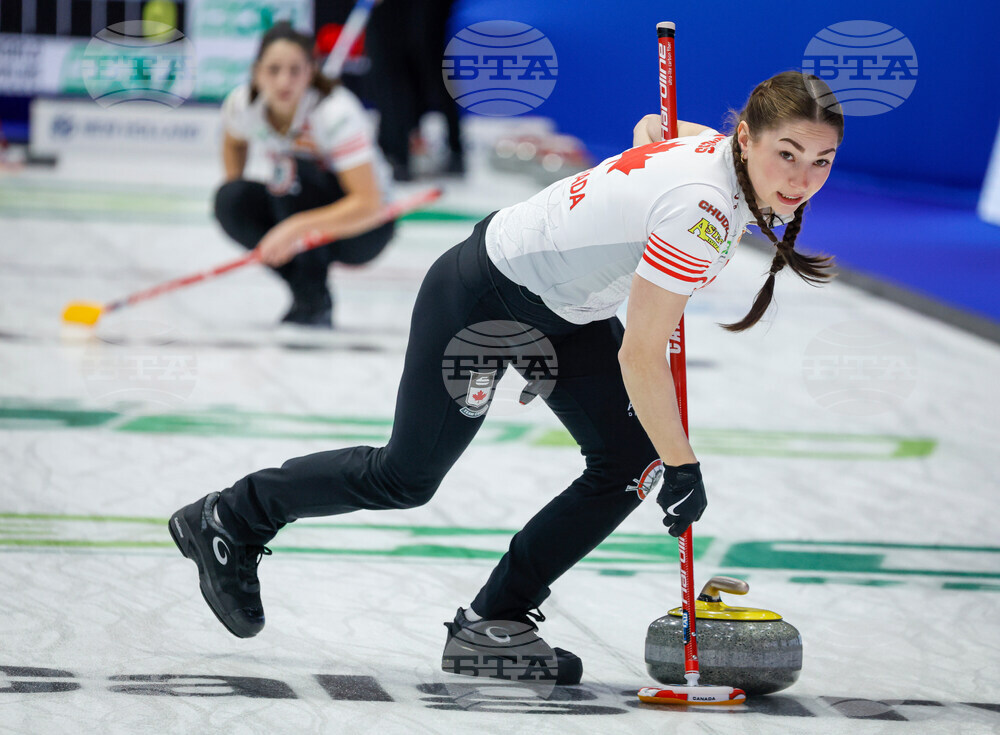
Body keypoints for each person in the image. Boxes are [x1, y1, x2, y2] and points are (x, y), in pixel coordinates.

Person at [170, 71, 843, 684]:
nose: (801, 179)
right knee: (405, 477)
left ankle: (495, 621)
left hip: (558, 304)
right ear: (747, 138)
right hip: (485, 297)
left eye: (821, 161)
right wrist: (685, 463)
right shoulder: (703, 210)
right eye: (787, 154)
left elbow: (658, 131)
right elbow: (639, 354)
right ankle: (233, 514)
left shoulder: (719, 153)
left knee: (627, 462)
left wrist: (653, 137)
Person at [215, 21, 395, 328]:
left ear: (310, 72)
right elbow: (234, 141)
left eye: (295, 70)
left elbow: (368, 203)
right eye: (273, 70)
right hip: (295, 203)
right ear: (257, 72)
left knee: (293, 173)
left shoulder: (335, 113)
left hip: (364, 226)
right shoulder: (244, 103)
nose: (284, 81)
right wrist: (237, 179)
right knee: (232, 200)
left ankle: (311, 292)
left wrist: (293, 229)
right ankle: (309, 294)